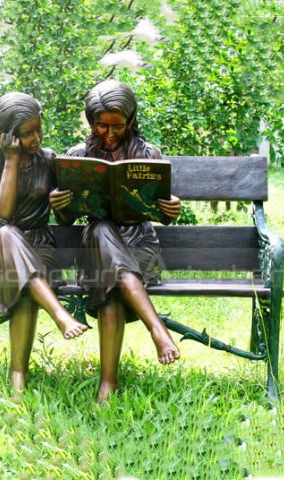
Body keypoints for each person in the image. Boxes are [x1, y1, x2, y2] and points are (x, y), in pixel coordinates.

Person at [50, 80, 181, 402]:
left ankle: (108, 383)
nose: (109, 134)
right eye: (101, 125)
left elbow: (159, 211)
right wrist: (60, 205)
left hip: (139, 246)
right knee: (99, 229)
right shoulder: (78, 156)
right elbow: (67, 220)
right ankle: (157, 329)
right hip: (96, 245)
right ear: (90, 120)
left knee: (107, 285)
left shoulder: (147, 154)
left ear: (131, 120)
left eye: (118, 126)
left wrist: (170, 209)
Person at [0, 92, 88, 392]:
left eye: (39, 128)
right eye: (27, 133)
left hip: (39, 249)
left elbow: (65, 221)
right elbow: (0, 218)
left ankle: (18, 378)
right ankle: (60, 314)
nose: (36, 138)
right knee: (8, 233)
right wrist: (11, 161)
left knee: (24, 287)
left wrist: (62, 205)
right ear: (5, 135)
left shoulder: (48, 160)